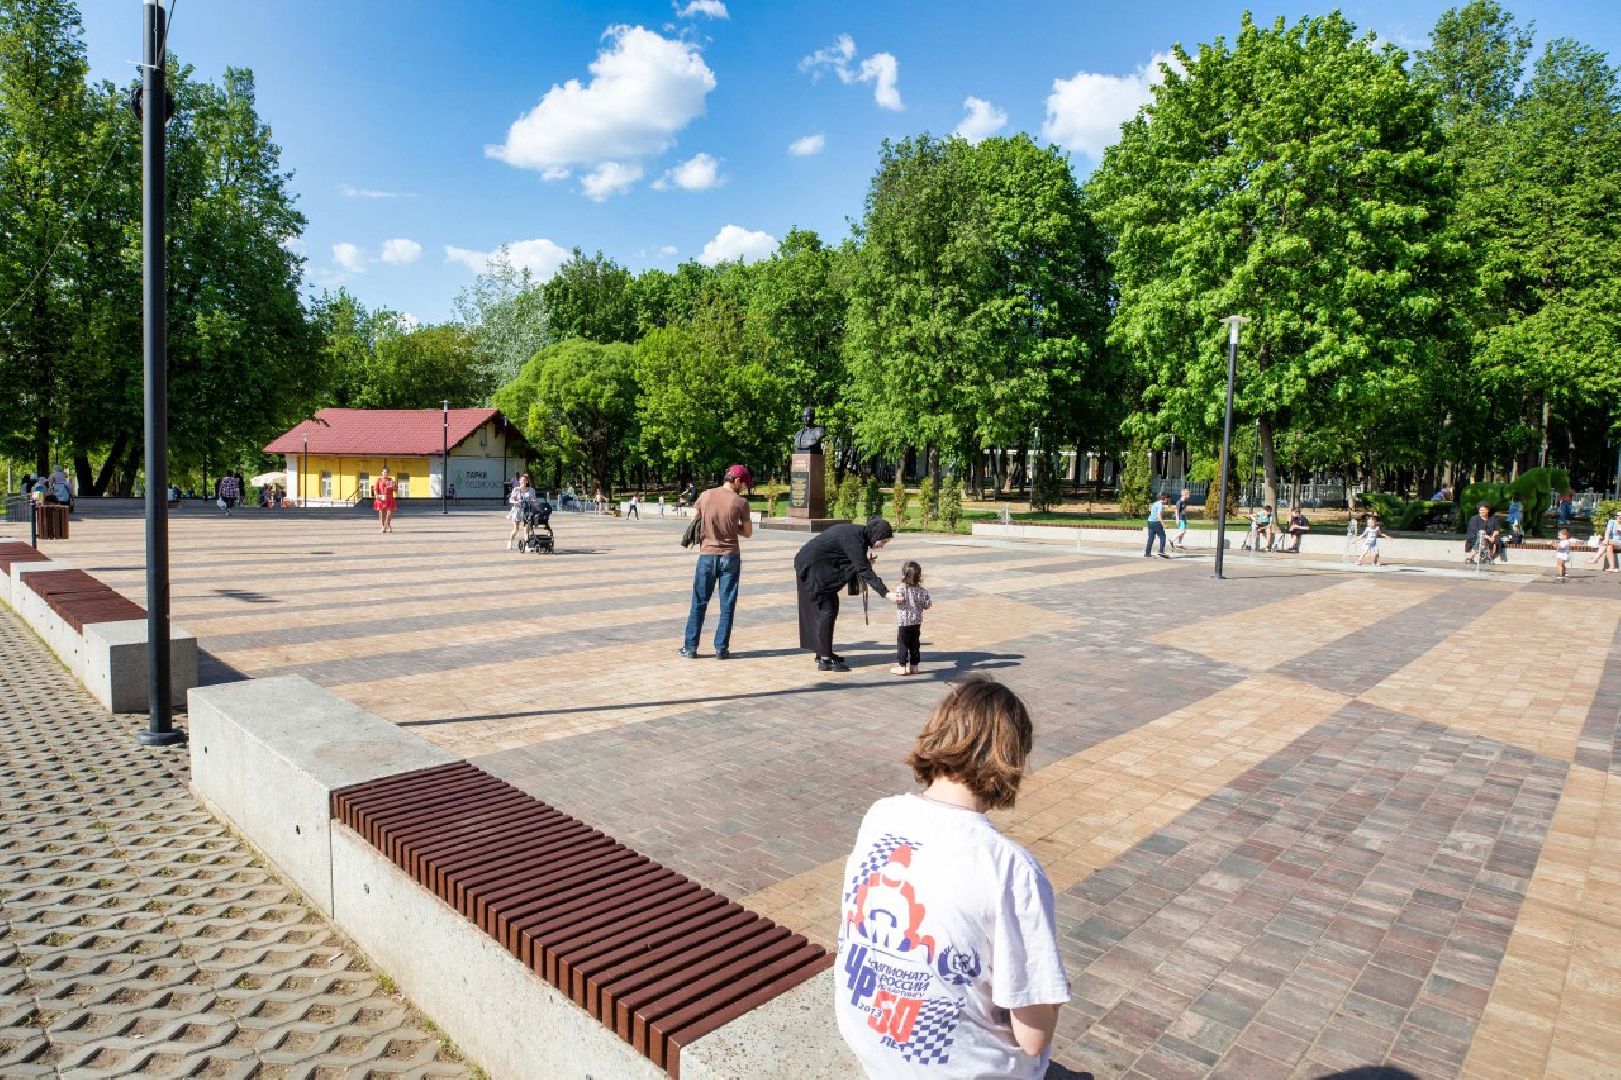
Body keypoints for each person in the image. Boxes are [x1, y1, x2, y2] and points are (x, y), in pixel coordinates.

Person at [836, 676, 1069, 1079]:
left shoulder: (883, 815)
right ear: (1012, 757)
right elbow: (1033, 1037)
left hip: (873, 1048)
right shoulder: (1010, 868)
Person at [795, 516, 892, 672]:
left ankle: (824, 652)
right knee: (827, 610)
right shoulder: (855, 538)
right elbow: (864, 570)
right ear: (877, 534)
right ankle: (825, 660)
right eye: (884, 541)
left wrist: (863, 562)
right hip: (812, 569)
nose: (883, 545)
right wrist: (886, 593)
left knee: (830, 608)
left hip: (817, 567)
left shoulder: (859, 535)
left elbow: (850, 558)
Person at [679, 465, 754, 660]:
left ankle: (690, 647)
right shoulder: (741, 502)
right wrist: (732, 527)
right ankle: (721, 648)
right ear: (737, 480)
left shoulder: (705, 496)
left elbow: (697, 519)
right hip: (730, 556)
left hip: (707, 556)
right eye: (744, 483)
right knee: (727, 603)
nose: (745, 487)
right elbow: (747, 533)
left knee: (699, 602)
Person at [889, 560, 932, 676]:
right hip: (916, 621)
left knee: (903, 643)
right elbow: (927, 604)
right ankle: (914, 666)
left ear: (904, 575)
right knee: (915, 643)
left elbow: (896, 599)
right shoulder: (921, 590)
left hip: (904, 622)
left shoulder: (901, 588)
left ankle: (901, 666)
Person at [506, 473, 535, 550]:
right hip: (517, 510)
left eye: (524, 480)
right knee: (516, 530)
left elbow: (534, 500)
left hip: (526, 510)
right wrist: (517, 502)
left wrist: (532, 501)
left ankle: (526, 545)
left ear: (527, 481)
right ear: (519, 481)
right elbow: (511, 500)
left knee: (526, 529)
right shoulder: (516, 489)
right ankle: (510, 541)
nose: (523, 482)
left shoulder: (531, 490)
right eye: (521, 481)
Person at [1143, 493, 1169, 559]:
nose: (1168, 501)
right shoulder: (1160, 505)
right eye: (1167, 499)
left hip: (1150, 522)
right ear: (1165, 498)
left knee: (1151, 538)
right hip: (1156, 522)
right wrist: (1164, 524)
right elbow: (1159, 516)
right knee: (1163, 536)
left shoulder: (1155, 503)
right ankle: (1161, 551)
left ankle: (1147, 553)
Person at [373, 466, 398, 533]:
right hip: (381, 498)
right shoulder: (379, 480)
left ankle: (387, 525)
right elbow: (375, 489)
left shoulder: (391, 480)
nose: (385, 473)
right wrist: (377, 495)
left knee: (389, 513)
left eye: (387, 472)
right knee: (382, 513)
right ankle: (383, 526)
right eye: (384, 472)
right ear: (382, 472)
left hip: (389, 498)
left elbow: (396, 490)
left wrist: (393, 486)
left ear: (388, 473)